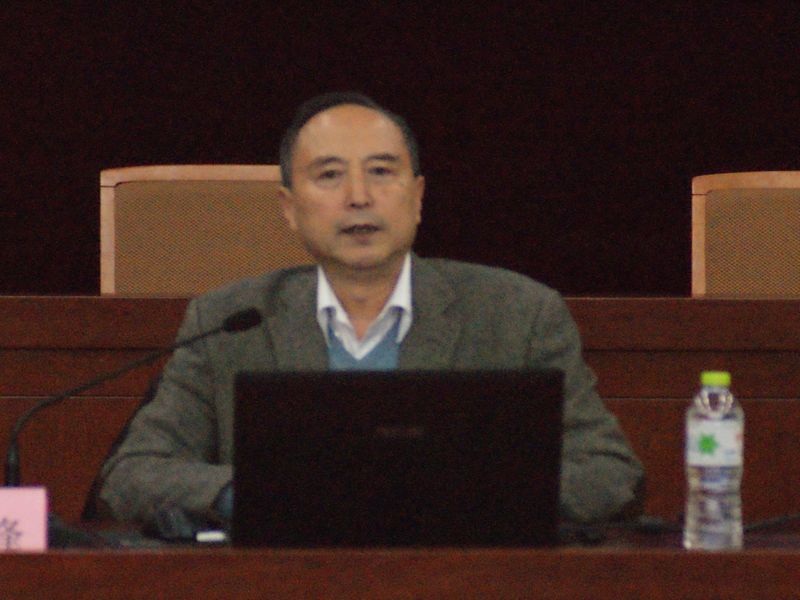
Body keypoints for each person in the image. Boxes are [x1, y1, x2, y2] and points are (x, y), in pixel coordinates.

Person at [98, 92, 643, 528]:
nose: (358, 196)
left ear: (418, 196)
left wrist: (459, 495)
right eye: (329, 175)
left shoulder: (518, 314)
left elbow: (610, 474)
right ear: (289, 208)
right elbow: (133, 475)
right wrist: (264, 496)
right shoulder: (229, 321)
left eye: (381, 172)